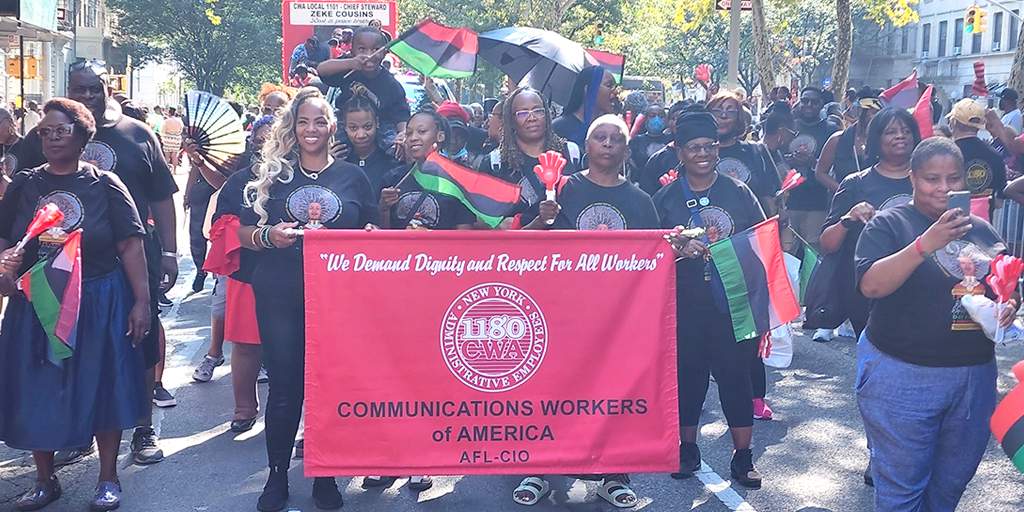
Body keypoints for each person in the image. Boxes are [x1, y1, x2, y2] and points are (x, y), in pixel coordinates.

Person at [12, 59, 179, 466]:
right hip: (56, 274)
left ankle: (142, 427)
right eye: (78, 88)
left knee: (134, 344)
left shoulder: (137, 133)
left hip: (127, 257)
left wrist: (171, 251)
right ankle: (77, 430)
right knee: (70, 354)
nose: (86, 94)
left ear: (108, 85)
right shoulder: (44, 140)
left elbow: (161, 196)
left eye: (93, 87)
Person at [0, 98, 151, 511]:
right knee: (38, 388)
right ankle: (45, 480)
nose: (51, 138)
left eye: (60, 130)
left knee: (103, 385)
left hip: (98, 298)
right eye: (44, 132)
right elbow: (5, 239)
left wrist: (142, 302)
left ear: (83, 135)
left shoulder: (104, 184)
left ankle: (107, 477)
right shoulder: (25, 185)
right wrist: (6, 266)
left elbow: (131, 245)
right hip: (37, 301)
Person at [855, 137, 1014, 511]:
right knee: (902, 489)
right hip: (903, 375)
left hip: (973, 378)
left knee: (950, 485)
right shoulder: (889, 223)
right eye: (931, 178)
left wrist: (1008, 304)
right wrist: (925, 244)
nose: (943, 188)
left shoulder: (980, 229)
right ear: (912, 178)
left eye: (953, 178)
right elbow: (871, 285)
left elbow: (1003, 282)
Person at [239, 88, 377, 511]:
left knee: (330, 387)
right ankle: (276, 476)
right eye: (303, 121)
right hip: (281, 291)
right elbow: (243, 233)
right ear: (293, 127)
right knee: (285, 386)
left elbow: (374, 230)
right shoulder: (274, 175)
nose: (311, 129)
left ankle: (325, 475)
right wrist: (269, 236)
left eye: (319, 121)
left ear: (332, 127)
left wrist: (370, 240)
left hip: (339, 299)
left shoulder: (354, 177)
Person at [511, 115, 652, 508]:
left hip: (615, 320)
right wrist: (543, 219)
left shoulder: (641, 202)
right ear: (586, 146)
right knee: (548, 390)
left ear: (626, 149)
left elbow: (654, 259)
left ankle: (613, 473)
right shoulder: (560, 189)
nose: (607, 144)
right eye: (599, 137)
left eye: (615, 139)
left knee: (611, 395)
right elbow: (516, 244)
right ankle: (537, 467)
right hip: (559, 313)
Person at [653, 111, 765, 489]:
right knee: (688, 377)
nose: (702, 153)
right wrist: (677, 248)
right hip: (684, 304)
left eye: (708, 146)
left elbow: (759, 241)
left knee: (736, 377)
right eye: (693, 148)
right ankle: (687, 449)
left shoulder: (738, 191)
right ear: (679, 152)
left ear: (717, 148)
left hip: (732, 304)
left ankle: (743, 457)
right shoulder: (665, 197)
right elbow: (650, 253)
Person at [820, 107, 921, 337]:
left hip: (920, 287)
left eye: (906, 131)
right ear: (876, 139)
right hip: (869, 295)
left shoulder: (928, 181)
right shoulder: (855, 183)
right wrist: (848, 219)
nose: (900, 136)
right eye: (891, 131)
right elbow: (827, 244)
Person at [204, 114, 275, 433]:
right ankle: (245, 407)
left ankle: (300, 418)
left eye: (273, 139)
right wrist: (252, 235)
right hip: (248, 271)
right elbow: (220, 222)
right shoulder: (238, 181)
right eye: (260, 140)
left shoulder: (298, 177)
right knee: (246, 344)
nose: (265, 145)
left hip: (296, 274)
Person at [481, 87, 580, 229]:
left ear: (547, 115)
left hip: (567, 247)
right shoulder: (495, 163)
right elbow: (486, 223)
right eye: (522, 113)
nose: (532, 118)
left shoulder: (572, 153)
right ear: (511, 120)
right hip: (519, 249)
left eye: (538, 111)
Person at [380, 110, 474, 231]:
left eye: (422, 132)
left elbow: (464, 237)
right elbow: (383, 235)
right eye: (408, 133)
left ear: (440, 136)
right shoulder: (393, 178)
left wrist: (429, 237)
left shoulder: (456, 183)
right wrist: (384, 208)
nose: (413, 138)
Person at [318, 27, 410, 150]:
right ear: (352, 51)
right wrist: (350, 63)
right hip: (346, 125)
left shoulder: (391, 84)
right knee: (331, 145)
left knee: (393, 147)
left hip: (379, 126)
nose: (369, 55)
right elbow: (322, 70)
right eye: (362, 49)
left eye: (376, 50)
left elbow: (401, 115)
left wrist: (402, 134)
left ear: (384, 53)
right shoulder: (347, 68)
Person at [784, 87, 839, 251]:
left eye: (814, 102)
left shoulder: (831, 130)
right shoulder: (788, 127)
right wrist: (789, 161)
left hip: (817, 203)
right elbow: (774, 158)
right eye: (805, 101)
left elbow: (836, 167)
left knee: (813, 253)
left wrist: (813, 163)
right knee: (787, 252)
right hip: (788, 202)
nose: (808, 105)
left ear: (821, 105)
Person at [707, 91, 781, 210]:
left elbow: (771, 194)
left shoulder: (756, 151)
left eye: (730, 111)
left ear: (738, 118)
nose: (723, 116)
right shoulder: (698, 155)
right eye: (717, 111)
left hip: (753, 226)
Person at [815, 88, 883, 193]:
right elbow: (820, 173)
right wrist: (843, 191)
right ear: (859, 112)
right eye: (869, 112)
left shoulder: (883, 141)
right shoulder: (837, 140)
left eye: (876, 113)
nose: (872, 116)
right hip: (843, 204)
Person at [949, 98, 1007, 221]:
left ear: (953, 122)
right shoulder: (995, 155)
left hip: (948, 226)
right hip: (983, 229)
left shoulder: (945, 154)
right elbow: (998, 203)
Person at [340, 93, 398, 199]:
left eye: (367, 127)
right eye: (353, 128)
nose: (361, 135)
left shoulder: (392, 161)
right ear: (345, 127)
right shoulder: (339, 161)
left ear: (377, 123)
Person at [551, 65, 617, 149]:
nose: (615, 92)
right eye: (609, 85)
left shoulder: (610, 130)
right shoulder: (559, 128)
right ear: (588, 89)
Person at [634, 101, 690, 195]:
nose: (677, 122)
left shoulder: (703, 153)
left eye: (682, 118)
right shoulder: (657, 158)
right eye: (674, 118)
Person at [628, 103, 671, 177]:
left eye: (661, 116)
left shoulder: (670, 140)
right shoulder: (636, 141)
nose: (657, 119)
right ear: (645, 119)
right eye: (652, 116)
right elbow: (631, 163)